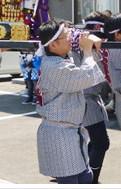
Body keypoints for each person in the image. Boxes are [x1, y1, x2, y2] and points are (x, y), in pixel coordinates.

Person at [35, 18, 105, 184]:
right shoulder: (55, 66)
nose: (71, 39)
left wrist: (88, 47)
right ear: (53, 45)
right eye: (67, 36)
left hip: (68, 131)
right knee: (71, 180)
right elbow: (87, 77)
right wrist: (87, 51)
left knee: (85, 177)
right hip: (59, 134)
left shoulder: (61, 60)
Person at [77, 11, 110, 184]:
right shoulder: (87, 43)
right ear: (98, 27)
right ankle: (91, 179)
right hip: (86, 98)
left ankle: (86, 175)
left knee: (92, 142)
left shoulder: (81, 40)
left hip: (90, 98)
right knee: (101, 143)